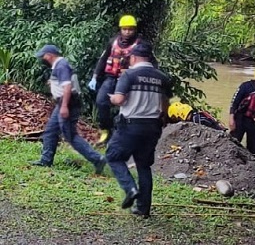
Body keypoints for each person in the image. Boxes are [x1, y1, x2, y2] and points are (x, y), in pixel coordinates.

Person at [107, 43, 172, 218]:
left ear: (133, 58)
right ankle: (143, 209)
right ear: (150, 58)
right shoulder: (162, 78)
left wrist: (112, 98)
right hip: (152, 127)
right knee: (144, 166)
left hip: (130, 125)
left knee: (113, 157)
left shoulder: (129, 74)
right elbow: (166, 105)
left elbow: (120, 99)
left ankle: (130, 188)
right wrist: (162, 119)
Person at [30, 45, 107, 174]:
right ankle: (46, 159)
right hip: (62, 103)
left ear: (50, 54)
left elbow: (67, 87)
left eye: (43, 56)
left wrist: (65, 106)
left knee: (70, 135)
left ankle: (97, 159)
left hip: (68, 103)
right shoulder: (59, 66)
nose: (43, 58)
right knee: (50, 131)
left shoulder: (61, 65)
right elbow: (66, 82)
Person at [88, 15, 152, 146]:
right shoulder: (113, 42)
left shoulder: (141, 45)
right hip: (111, 77)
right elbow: (103, 59)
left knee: (128, 107)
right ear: (120, 29)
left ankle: (126, 135)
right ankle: (106, 130)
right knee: (101, 102)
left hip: (130, 79)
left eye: (130, 29)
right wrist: (95, 76)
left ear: (135, 30)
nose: (127, 32)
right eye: (125, 29)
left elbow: (150, 64)